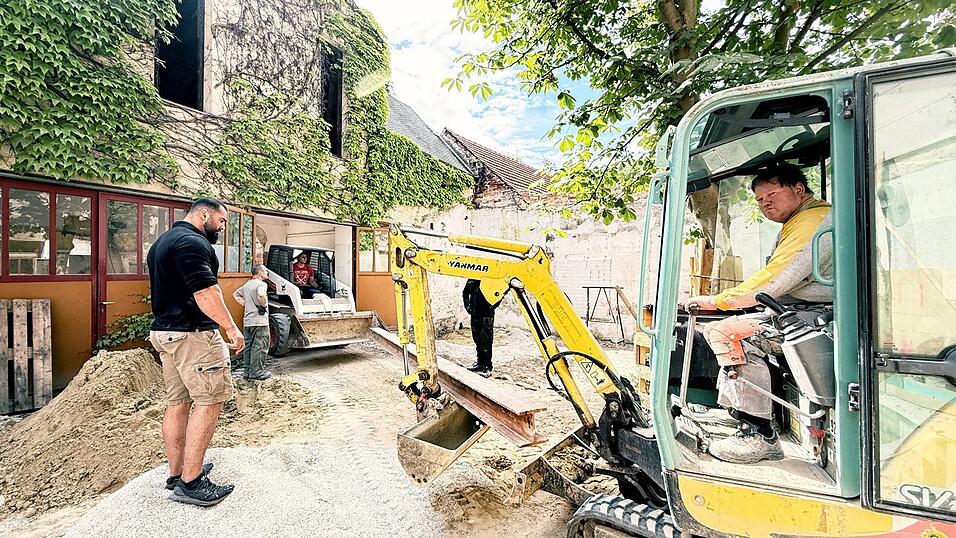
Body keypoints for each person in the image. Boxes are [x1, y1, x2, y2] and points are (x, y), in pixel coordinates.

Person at [683, 163, 833, 464]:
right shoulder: (804, 219)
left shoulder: (812, 222)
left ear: (798, 190)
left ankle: (758, 434)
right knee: (727, 330)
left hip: (818, 318)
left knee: (728, 333)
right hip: (806, 312)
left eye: (772, 194)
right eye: (759, 200)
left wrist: (720, 301)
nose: (765, 203)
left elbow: (776, 278)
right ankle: (743, 416)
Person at [147, 197, 245, 506]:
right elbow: (205, 291)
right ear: (203, 214)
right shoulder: (193, 243)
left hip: (165, 333)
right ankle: (191, 482)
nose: (222, 226)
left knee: (177, 403)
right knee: (210, 400)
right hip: (193, 335)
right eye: (221, 220)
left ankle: (178, 473)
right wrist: (230, 328)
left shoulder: (162, 243)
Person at [232, 264, 272, 381]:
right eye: (265, 271)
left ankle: (247, 371)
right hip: (260, 321)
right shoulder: (262, 284)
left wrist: (246, 304)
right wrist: (263, 304)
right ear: (259, 273)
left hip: (248, 321)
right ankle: (257, 372)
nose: (267, 273)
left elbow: (235, 294)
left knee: (248, 346)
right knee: (260, 346)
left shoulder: (247, 285)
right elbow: (260, 294)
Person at [463, 279, 501, 377]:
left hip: (486, 315)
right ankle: (479, 363)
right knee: (477, 339)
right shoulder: (472, 278)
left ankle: (487, 366)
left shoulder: (491, 279)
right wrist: (468, 306)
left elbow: (499, 295)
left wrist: (491, 306)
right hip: (475, 314)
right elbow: (465, 293)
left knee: (486, 340)